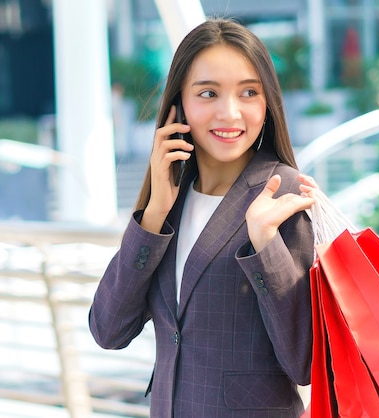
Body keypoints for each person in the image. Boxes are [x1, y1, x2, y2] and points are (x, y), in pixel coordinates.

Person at [89, 18, 317, 417]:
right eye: (208, 93)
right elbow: (108, 330)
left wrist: (264, 241)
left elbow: (304, 361)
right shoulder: (170, 200)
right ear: (179, 105)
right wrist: (153, 215)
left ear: (267, 104)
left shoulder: (284, 192)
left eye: (249, 92)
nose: (230, 113)